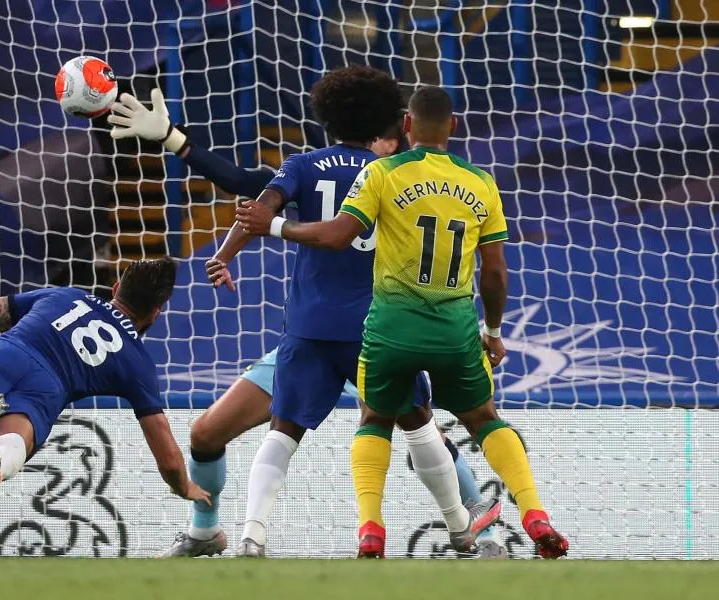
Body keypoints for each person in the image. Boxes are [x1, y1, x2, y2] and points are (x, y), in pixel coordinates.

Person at [110, 75, 506, 560]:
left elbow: (245, 190)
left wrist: (175, 142)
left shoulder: (326, 169)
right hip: (320, 335)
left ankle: (478, 529)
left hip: (372, 334)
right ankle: (204, 531)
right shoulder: (395, 175)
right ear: (387, 127)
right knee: (209, 432)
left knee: (414, 429)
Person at [235, 85, 569, 559]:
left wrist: (269, 225)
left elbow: (335, 235)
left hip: (387, 328)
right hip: (454, 328)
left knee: (373, 420)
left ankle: (370, 531)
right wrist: (492, 331)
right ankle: (532, 515)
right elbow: (494, 273)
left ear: (406, 125)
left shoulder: (383, 174)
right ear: (453, 126)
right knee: (480, 419)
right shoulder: (481, 182)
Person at [0, 257, 210, 529]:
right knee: (14, 437)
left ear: (116, 287)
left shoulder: (66, 295)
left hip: (10, 351)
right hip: (49, 388)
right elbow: (168, 455)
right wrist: (184, 487)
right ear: (156, 313)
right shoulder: (138, 362)